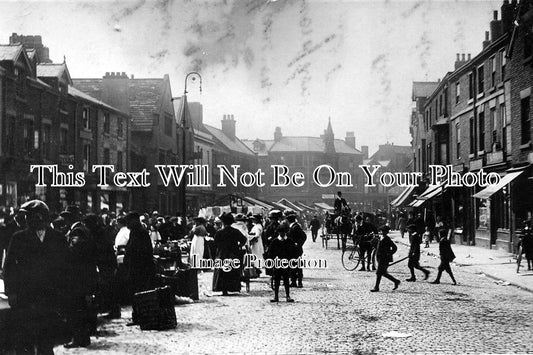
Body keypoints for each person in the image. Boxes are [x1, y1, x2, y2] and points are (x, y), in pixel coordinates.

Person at [4, 200, 70, 354]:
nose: (26, 220)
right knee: (24, 339)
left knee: (46, 338)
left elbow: (65, 268)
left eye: (29, 216)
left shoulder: (58, 238)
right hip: (25, 297)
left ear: (40, 217)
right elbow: (9, 267)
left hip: (49, 298)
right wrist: (11, 292)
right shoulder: (18, 238)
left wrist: (64, 293)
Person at [63, 213, 98, 348]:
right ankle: (83, 338)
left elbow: (73, 252)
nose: (64, 221)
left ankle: (78, 339)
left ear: (70, 218)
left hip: (76, 277)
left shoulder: (77, 231)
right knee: (81, 308)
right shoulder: (84, 230)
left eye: (66, 218)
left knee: (75, 309)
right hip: (84, 276)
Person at [123, 212, 155, 325]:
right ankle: (137, 316)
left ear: (134, 221)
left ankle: (140, 317)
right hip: (136, 268)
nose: (127, 224)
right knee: (136, 293)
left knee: (139, 293)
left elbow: (141, 252)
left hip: (140, 269)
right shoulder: (135, 232)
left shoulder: (140, 233)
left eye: (128, 221)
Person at [212, 213, 248, 296]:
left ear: (223, 222)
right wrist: (239, 246)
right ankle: (231, 287)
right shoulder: (235, 231)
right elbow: (244, 239)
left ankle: (223, 289)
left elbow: (215, 244)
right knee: (232, 270)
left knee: (222, 271)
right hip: (233, 253)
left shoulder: (219, 232)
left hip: (222, 253)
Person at [267, 222, 297, 303]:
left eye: (283, 232)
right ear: (278, 232)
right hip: (277, 263)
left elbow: (293, 253)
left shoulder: (289, 241)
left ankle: (288, 296)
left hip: (286, 263)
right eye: (280, 232)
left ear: (285, 232)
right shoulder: (274, 242)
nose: (282, 233)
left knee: (286, 280)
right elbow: (270, 253)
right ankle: (276, 296)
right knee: (276, 280)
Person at [370, 226, 400, 292]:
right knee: (383, 273)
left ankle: (376, 287)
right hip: (380, 258)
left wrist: (389, 253)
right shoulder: (380, 238)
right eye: (382, 231)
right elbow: (375, 245)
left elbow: (394, 248)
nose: (382, 232)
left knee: (379, 272)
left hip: (384, 258)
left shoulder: (387, 239)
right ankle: (396, 281)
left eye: (384, 231)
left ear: (387, 232)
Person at [286, 213, 306, 288]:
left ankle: (298, 282)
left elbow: (304, 236)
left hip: (295, 250)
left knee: (296, 266)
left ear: (289, 221)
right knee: (294, 266)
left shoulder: (295, 227)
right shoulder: (293, 227)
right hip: (293, 249)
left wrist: (298, 244)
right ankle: (294, 281)